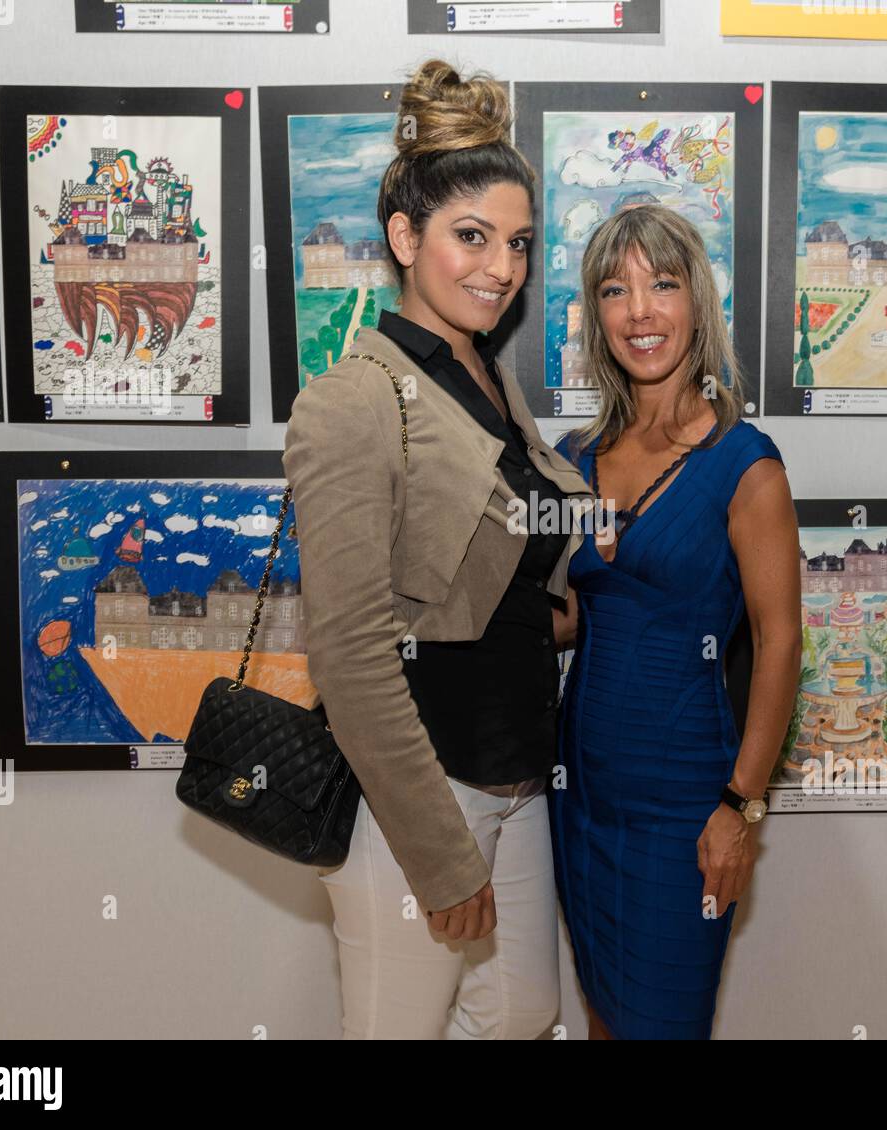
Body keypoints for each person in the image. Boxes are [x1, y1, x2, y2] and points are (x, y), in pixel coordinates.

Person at [282, 58, 592, 1040]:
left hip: (512, 771)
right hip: (415, 790)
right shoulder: (353, 398)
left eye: (517, 243)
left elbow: (487, 567)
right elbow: (349, 650)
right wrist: (438, 850)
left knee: (522, 1010)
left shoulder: (491, 384)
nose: (500, 266)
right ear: (404, 237)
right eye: (472, 237)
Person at [549, 204, 804, 1039]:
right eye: (616, 291)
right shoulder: (576, 456)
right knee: (600, 1015)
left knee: (665, 1021)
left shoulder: (745, 463)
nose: (640, 312)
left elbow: (780, 644)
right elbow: (576, 615)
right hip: (579, 794)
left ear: (696, 299)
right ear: (596, 314)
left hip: (689, 809)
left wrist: (742, 807)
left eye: (662, 284)